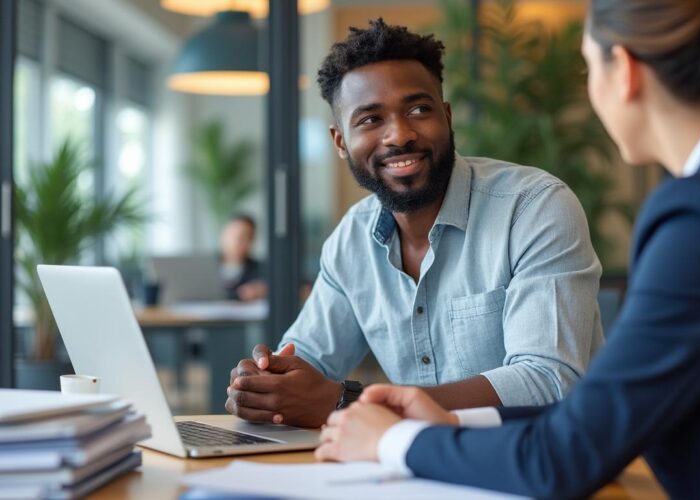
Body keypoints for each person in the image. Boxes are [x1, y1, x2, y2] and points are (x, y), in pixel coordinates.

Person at [315, 1, 700, 498]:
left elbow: (563, 459)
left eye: (590, 67)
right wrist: (450, 418)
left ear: (625, 71)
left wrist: (397, 441)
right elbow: (610, 411)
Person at [225, 19, 604, 428]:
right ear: (340, 141)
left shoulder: (532, 207)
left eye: (419, 110)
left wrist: (350, 404)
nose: (399, 135)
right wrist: (266, 384)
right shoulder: (351, 241)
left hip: (543, 467)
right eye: (370, 119)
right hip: (417, 469)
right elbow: (308, 360)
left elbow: (548, 381)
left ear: (447, 116)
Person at [219, 214, 267, 301]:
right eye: (236, 236)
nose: (239, 242)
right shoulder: (204, 267)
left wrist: (265, 290)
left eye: (248, 238)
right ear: (223, 235)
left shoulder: (260, 269)